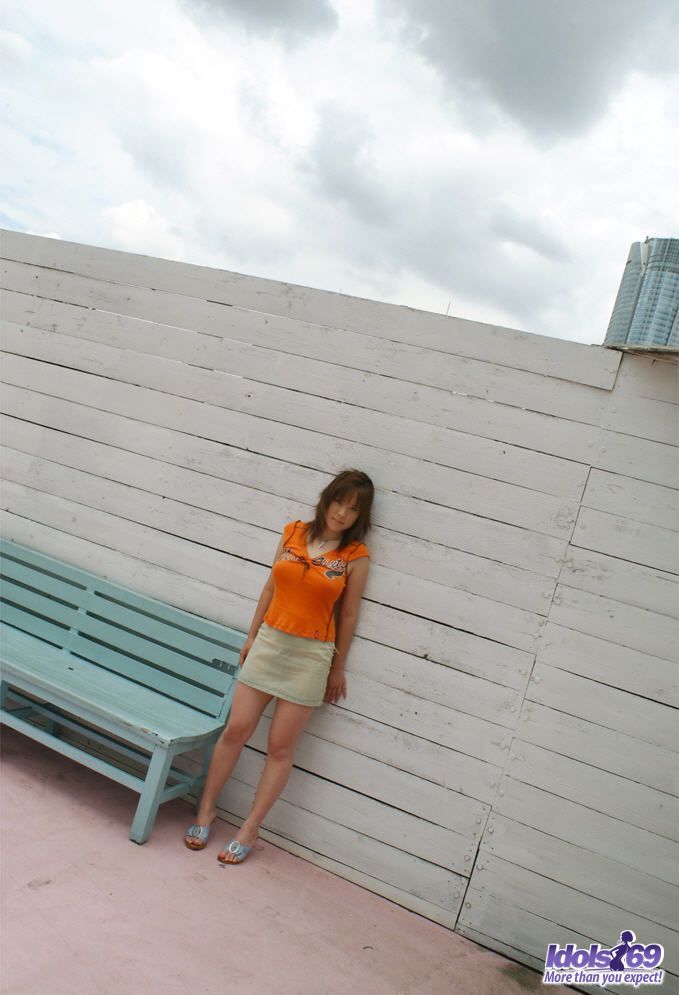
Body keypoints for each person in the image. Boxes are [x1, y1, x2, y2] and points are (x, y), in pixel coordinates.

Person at [184, 468, 374, 864]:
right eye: (338, 502)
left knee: (280, 747)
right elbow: (270, 587)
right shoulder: (293, 533)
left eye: (353, 509)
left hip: (311, 657)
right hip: (270, 642)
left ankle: (250, 828)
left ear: (361, 516)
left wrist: (337, 668)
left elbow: (348, 615)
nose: (342, 513)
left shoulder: (355, 557)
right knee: (235, 731)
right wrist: (252, 636)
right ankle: (206, 810)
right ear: (326, 498)